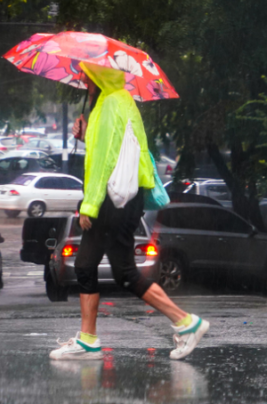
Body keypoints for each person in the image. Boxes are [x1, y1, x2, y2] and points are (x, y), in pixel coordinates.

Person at [50, 62, 208, 361]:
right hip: (124, 198)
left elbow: (104, 161)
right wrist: (87, 135)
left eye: (85, 73)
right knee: (88, 265)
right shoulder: (121, 101)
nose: (82, 78)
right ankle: (89, 339)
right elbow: (118, 149)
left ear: (98, 75)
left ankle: (187, 323)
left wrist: (89, 205)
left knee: (119, 271)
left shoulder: (110, 104)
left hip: (112, 200)